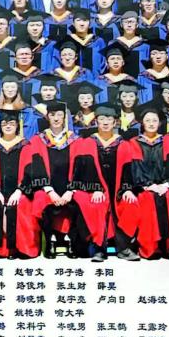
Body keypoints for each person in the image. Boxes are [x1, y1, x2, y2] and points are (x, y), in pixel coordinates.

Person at [30, 101, 108, 261]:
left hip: (71, 188)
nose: (56, 118)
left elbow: (81, 168)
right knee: (39, 200)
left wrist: (70, 191)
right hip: (48, 188)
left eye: (60, 115)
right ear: (47, 117)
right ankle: (48, 241)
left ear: (65, 117)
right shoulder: (38, 140)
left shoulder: (76, 140)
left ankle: (79, 242)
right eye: (52, 115)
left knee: (87, 202)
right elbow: (36, 167)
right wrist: (49, 191)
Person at [125, 103, 169, 260]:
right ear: (142, 123)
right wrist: (149, 185)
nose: (151, 123)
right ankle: (150, 248)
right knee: (148, 200)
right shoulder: (134, 143)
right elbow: (136, 168)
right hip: (144, 188)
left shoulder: (168, 141)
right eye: (148, 120)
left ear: (159, 123)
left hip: (165, 185)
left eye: (154, 120)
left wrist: (166, 185)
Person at [91, 102, 142, 261]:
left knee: (130, 204)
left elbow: (129, 169)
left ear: (115, 122)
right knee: (97, 205)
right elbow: (86, 169)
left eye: (109, 119)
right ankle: (100, 249)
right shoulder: (89, 142)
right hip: (97, 189)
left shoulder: (123, 144)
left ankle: (124, 248)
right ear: (96, 122)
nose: (105, 122)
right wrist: (96, 188)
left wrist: (127, 189)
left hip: (119, 188)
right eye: (102, 119)